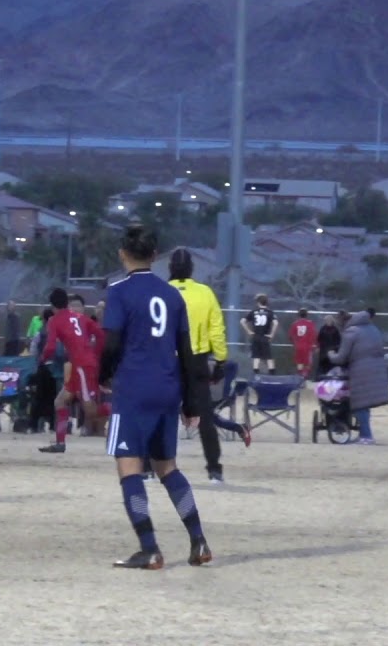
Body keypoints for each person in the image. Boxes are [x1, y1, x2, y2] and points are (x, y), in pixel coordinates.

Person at [100, 225, 210, 570]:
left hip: (134, 388)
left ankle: (149, 548)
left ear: (122, 253)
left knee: (129, 467)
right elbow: (188, 352)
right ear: (153, 255)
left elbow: (112, 343)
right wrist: (192, 402)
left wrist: (104, 376)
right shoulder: (172, 295)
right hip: (167, 388)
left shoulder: (118, 292)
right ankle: (198, 540)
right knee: (167, 467)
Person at [168, 248, 248, 482]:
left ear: (171, 267)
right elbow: (217, 328)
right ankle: (214, 469)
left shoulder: (162, 292)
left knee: (161, 414)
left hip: (167, 360)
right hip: (197, 360)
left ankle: (150, 467)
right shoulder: (205, 293)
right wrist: (220, 360)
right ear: (192, 268)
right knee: (205, 416)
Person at [37, 289, 101, 452]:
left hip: (82, 366)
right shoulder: (80, 317)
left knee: (90, 410)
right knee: (60, 401)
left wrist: (42, 359)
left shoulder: (54, 321)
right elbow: (100, 334)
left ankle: (122, 412)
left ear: (52, 306)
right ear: (67, 303)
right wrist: (96, 354)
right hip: (80, 365)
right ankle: (60, 443)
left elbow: (50, 346)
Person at [329, 310, 388, 445]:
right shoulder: (372, 328)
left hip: (361, 370)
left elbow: (340, 358)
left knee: (359, 405)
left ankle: (366, 436)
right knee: (365, 404)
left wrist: (330, 354)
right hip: (378, 368)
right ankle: (364, 433)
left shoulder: (351, 332)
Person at [241, 294, 278, 375]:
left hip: (256, 336)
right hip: (265, 336)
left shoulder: (253, 312)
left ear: (258, 302)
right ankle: (272, 376)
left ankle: (256, 375)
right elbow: (275, 323)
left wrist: (249, 331)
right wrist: (271, 334)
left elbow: (242, 321)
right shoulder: (270, 312)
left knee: (256, 357)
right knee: (268, 357)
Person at [288, 308, 318, 380]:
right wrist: (315, 344)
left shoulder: (295, 324)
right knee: (307, 363)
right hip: (307, 346)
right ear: (307, 315)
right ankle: (304, 377)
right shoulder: (310, 324)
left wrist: (294, 343)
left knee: (299, 362)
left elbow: (290, 336)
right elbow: (314, 335)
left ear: (298, 315)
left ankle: (300, 377)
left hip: (298, 346)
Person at [315, 313, 344, 378]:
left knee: (331, 365)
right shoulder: (322, 328)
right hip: (323, 350)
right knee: (322, 365)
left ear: (331, 321)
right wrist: (318, 347)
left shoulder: (335, 329)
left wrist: (335, 349)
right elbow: (319, 339)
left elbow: (338, 341)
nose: (327, 322)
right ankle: (320, 378)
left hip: (332, 350)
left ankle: (330, 378)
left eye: (329, 320)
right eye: (326, 320)